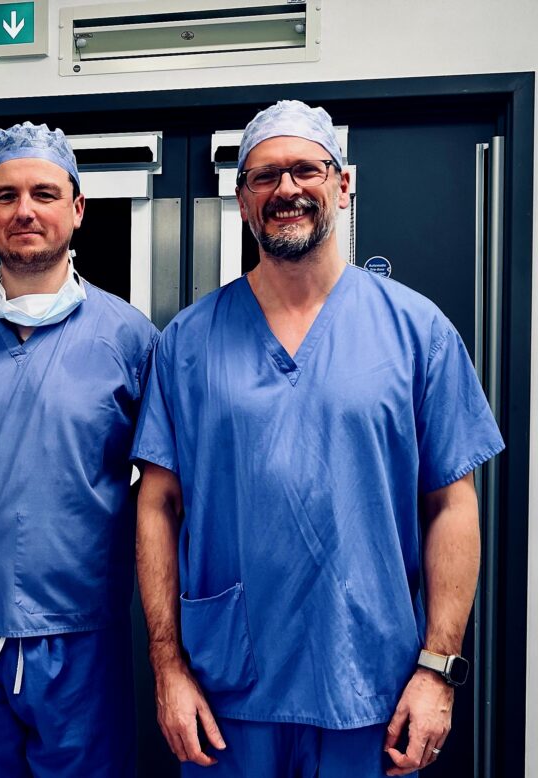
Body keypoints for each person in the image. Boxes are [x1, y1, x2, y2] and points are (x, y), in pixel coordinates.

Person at [132, 100, 504, 777]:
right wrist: (167, 668)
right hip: (227, 693)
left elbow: (454, 506)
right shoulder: (187, 343)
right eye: (264, 176)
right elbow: (157, 504)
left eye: (306, 169)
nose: (287, 190)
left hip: (373, 686)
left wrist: (438, 671)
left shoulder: (418, 333)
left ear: (343, 183)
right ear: (243, 201)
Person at [0, 121, 159, 777]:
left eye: (44, 193)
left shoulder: (131, 338)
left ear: (77, 208)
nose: (24, 210)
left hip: (83, 623)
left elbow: (168, 485)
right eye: (6, 195)